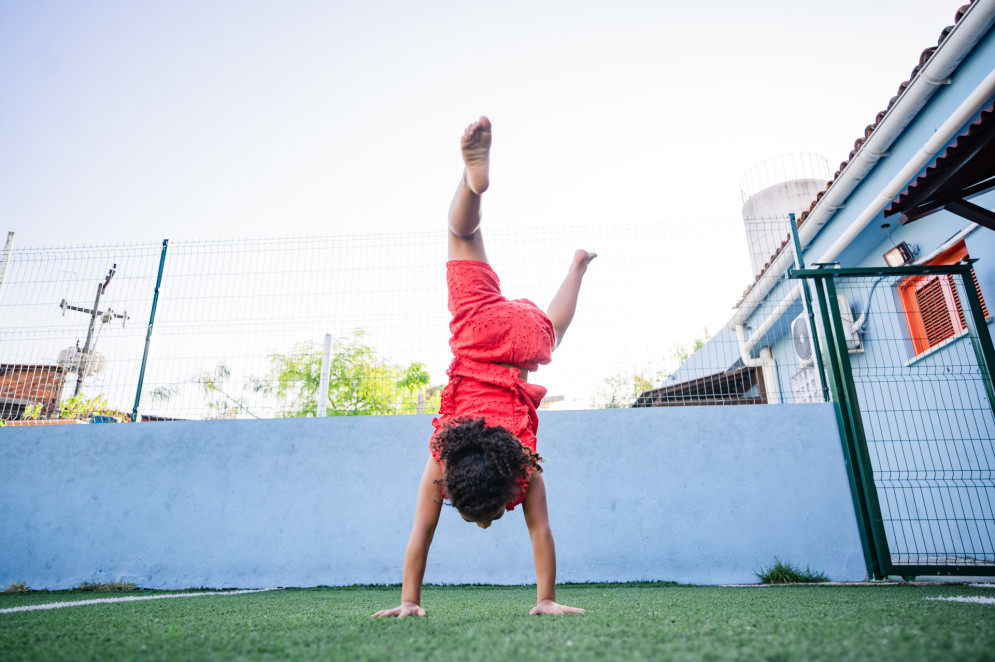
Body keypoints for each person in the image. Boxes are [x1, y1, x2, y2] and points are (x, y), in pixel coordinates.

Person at [373, 116, 595, 618]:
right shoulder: (446, 459)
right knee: (460, 231)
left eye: (486, 517)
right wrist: (406, 599)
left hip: (516, 342)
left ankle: (577, 266)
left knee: (553, 334)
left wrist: (548, 600)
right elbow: (421, 534)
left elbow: (540, 531)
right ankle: (473, 185)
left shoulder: (524, 463)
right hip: (478, 333)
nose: (486, 525)